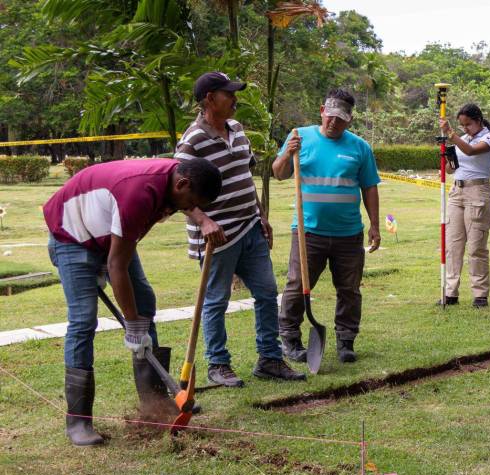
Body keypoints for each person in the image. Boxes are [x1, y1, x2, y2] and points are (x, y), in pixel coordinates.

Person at [44, 157, 223, 446]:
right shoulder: (139, 193)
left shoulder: (176, 178)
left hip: (107, 231)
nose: (187, 207)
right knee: (83, 320)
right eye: (190, 202)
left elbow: (119, 258)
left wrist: (202, 218)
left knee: (144, 301)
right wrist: (133, 327)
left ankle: (155, 401)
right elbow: (117, 267)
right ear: (182, 184)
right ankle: (78, 420)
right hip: (72, 235)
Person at [176, 72, 306, 387]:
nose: (235, 99)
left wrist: (261, 216)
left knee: (266, 292)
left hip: (250, 228)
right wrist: (204, 221)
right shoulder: (192, 140)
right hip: (217, 239)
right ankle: (218, 365)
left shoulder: (237, 129)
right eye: (228, 94)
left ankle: (270, 360)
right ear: (210, 99)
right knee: (216, 300)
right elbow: (176, 190)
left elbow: (244, 180)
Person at [272, 88, 381, 363]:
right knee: (297, 286)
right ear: (322, 110)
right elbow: (279, 173)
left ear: (349, 120)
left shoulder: (359, 148)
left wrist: (375, 225)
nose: (333, 122)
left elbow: (369, 188)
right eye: (330, 116)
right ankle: (290, 339)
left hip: (348, 234)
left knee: (349, 289)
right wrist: (287, 154)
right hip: (309, 231)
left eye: (340, 118)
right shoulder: (299, 136)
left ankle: (346, 341)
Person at [438, 104, 490, 307]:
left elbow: (472, 152)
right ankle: (450, 293)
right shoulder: (462, 139)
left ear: (479, 120)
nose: (465, 129)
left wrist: (451, 134)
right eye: (462, 125)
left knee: (476, 246)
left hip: (478, 192)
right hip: (457, 192)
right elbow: (450, 169)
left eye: (469, 124)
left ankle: (480, 294)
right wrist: (447, 156)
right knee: (453, 246)